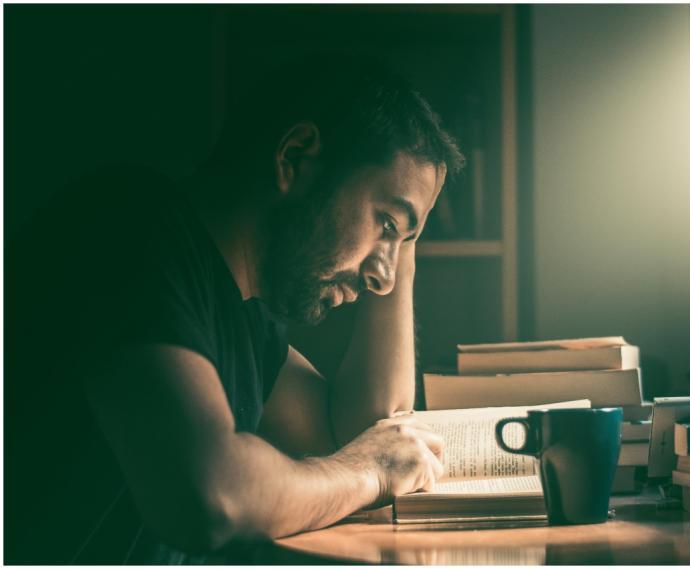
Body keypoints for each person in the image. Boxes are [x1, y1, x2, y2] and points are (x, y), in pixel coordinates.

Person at [6, 55, 465, 564]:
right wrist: (370, 472)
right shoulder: (127, 231)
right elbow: (211, 496)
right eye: (383, 222)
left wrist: (405, 231)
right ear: (294, 158)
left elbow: (364, 433)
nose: (385, 276)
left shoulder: (246, 319)